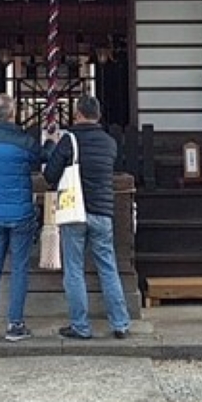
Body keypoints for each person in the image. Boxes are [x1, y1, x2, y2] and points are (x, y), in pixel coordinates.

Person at [43, 93, 131, 340]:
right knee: (108, 267)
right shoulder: (109, 142)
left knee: (74, 269)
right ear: (98, 116)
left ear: (78, 114)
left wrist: (51, 146)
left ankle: (81, 326)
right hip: (102, 211)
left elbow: (51, 174)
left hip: (74, 210)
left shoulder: (69, 140)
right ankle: (121, 323)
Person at [0, 93, 42, 342]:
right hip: (21, 212)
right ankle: (15, 324)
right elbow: (41, 158)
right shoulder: (23, 142)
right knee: (19, 268)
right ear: (12, 112)